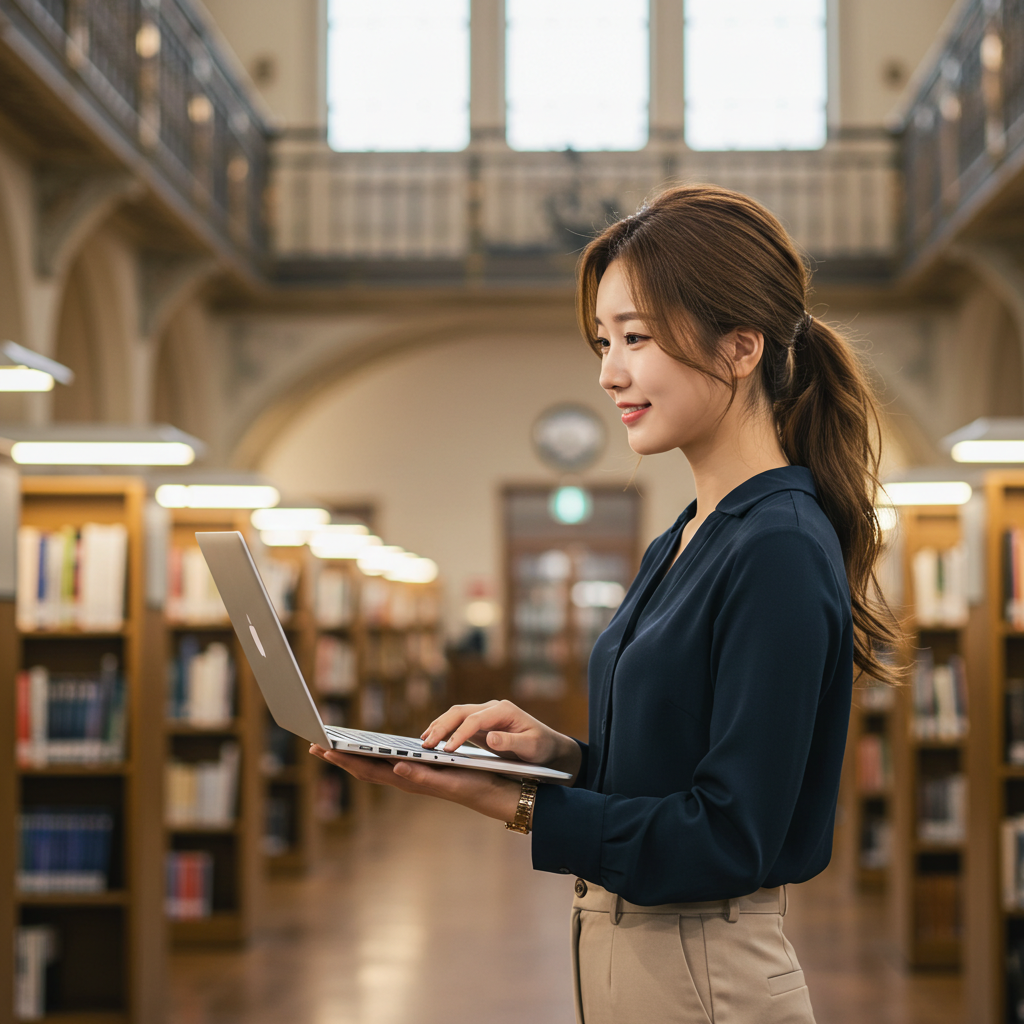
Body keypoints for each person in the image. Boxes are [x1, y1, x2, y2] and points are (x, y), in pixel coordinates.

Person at [311, 183, 900, 1023]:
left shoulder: (779, 547)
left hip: (705, 971)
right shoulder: (685, 537)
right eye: (603, 340)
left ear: (741, 347)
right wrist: (556, 757)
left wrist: (508, 801)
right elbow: (670, 778)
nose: (608, 371)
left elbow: (730, 837)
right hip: (634, 951)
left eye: (636, 337)